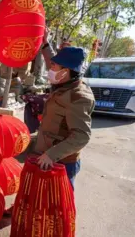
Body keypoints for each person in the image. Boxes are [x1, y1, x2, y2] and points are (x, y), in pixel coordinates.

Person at [35, 28, 95, 190]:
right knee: (42, 197)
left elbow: (81, 136)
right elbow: (52, 62)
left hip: (62, 162)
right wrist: (45, 43)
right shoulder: (63, 81)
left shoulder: (79, 96)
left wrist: (51, 155)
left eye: (54, 67)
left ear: (65, 71)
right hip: (46, 151)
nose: (50, 69)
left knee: (60, 204)